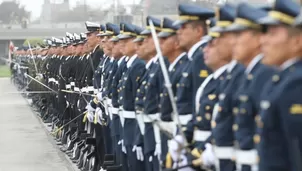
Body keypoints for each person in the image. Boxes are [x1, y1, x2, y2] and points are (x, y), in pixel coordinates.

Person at [255, 0, 301, 170]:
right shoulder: (281, 79)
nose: (263, 41)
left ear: (297, 41)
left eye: (272, 34)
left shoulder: (296, 84)